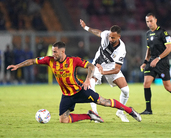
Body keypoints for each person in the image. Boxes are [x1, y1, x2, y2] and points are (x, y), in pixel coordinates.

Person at [7, 41, 141, 123]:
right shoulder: (50, 60)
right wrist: (17, 66)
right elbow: (32, 61)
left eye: (55, 52)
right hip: (66, 95)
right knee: (63, 120)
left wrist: (88, 79)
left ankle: (130, 111)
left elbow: (91, 66)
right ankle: (90, 116)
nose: (53, 54)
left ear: (62, 51)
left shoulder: (73, 60)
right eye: (53, 52)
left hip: (80, 90)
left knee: (104, 102)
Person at [80, 19, 130, 122]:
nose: (110, 38)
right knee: (90, 84)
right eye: (110, 36)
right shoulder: (106, 34)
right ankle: (95, 114)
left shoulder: (121, 49)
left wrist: (104, 72)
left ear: (119, 37)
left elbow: (117, 69)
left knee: (126, 91)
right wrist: (86, 27)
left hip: (111, 67)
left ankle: (120, 112)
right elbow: (98, 32)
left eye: (113, 37)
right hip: (98, 64)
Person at [140, 13, 171, 115]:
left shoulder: (163, 33)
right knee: (146, 83)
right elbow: (149, 49)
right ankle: (148, 110)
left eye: (151, 21)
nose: (149, 23)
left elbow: (169, 48)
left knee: (168, 87)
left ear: (156, 20)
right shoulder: (147, 34)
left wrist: (158, 58)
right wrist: (145, 62)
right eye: (147, 22)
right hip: (152, 62)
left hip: (162, 62)